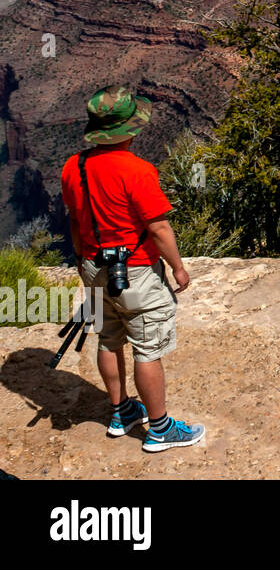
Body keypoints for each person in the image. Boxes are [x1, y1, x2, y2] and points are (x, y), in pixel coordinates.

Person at [60, 85, 205, 453]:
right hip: (135, 272)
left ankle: (121, 411)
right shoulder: (138, 171)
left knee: (108, 339)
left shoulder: (73, 166)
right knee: (146, 349)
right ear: (131, 129)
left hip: (92, 267)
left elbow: (76, 221)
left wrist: (81, 260)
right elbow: (158, 228)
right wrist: (178, 268)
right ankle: (159, 430)